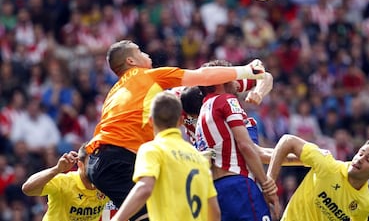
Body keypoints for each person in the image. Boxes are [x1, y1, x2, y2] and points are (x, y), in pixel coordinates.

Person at [85, 40, 266, 221]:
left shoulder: (115, 91)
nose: (146, 54)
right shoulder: (149, 76)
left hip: (97, 161)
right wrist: (248, 70)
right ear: (131, 61)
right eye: (140, 51)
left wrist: (259, 82)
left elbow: (234, 83)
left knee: (155, 209)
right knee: (153, 212)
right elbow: (204, 76)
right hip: (119, 159)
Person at [110, 91, 220, 221]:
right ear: (180, 121)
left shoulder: (152, 150)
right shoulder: (200, 159)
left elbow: (144, 188)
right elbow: (215, 212)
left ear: (150, 121)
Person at [195, 59, 277, 221]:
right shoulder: (226, 100)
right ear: (221, 80)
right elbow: (245, 146)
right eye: (233, 76)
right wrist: (267, 186)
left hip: (216, 190)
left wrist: (259, 92)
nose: (237, 81)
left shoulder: (203, 111)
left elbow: (263, 74)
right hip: (239, 186)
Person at [267, 134, 369, 220]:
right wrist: (269, 184)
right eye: (360, 153)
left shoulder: (364, 203)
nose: (360, 159)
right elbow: (288, 140)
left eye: (367, 159)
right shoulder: (328, 166)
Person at [21, 143, 109, 221]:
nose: (97, 167)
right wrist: (57, 169)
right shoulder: (64, 182)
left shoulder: (105, 186)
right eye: (91, 163)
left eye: (99, 162)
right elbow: (27, 189)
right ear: (80, 164)